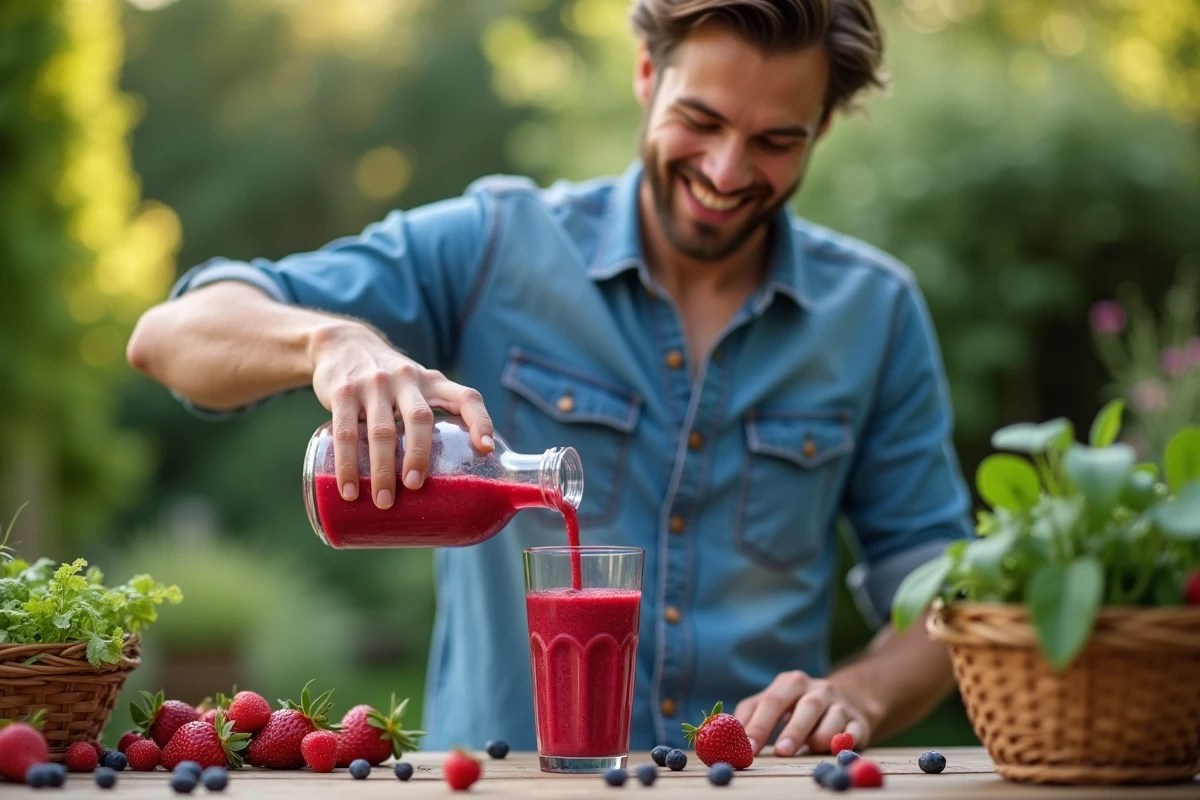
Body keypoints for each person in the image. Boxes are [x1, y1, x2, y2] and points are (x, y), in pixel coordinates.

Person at [127, 0, 973, 757]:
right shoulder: (496, 245)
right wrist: (332, 342)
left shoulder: (875, 312)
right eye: (699, 120)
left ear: (821, 128)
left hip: (753, 782)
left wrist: (858, 692)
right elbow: (172, 338)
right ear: (647, 75)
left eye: (775, 141)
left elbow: (949, 597)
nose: (725, 171)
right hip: (503, 782)